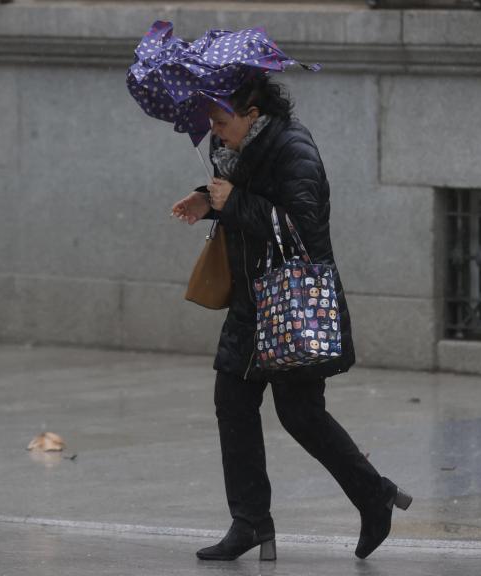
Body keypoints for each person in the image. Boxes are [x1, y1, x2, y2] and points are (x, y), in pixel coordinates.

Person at [171, 73, 411, 561]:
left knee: (300, 412)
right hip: (250, 301)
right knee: (232, 402)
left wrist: (233, 203)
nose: (215, 131)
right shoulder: (237, 151)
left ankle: (374, 495)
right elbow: (246, 199)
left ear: (252, 115)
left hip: (291, 302)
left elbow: (302, 228)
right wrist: (208, 200)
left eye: (221, 121)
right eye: (212, 122)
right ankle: (251, 522)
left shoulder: (295, 148)